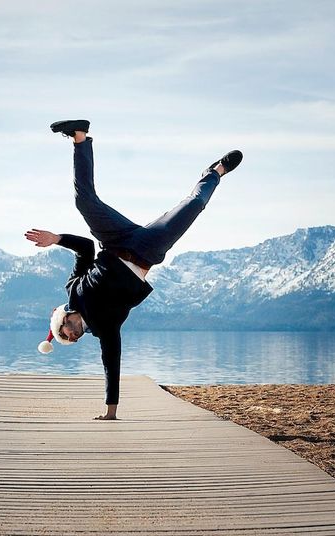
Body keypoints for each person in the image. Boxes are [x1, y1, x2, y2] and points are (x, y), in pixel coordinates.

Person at [25, 119, 242, 420]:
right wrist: (110, 411)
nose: (71, 337)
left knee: (84, 201)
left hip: (114, 239)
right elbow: (111, 362)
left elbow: (86, 247)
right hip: (147, 250)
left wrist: (56, 239)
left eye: (65, 333)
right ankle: (216, 172)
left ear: (64, 319)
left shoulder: (73, 289)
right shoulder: (104, 329)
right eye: (70, 339)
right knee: (192, 207)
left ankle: (79, 136)